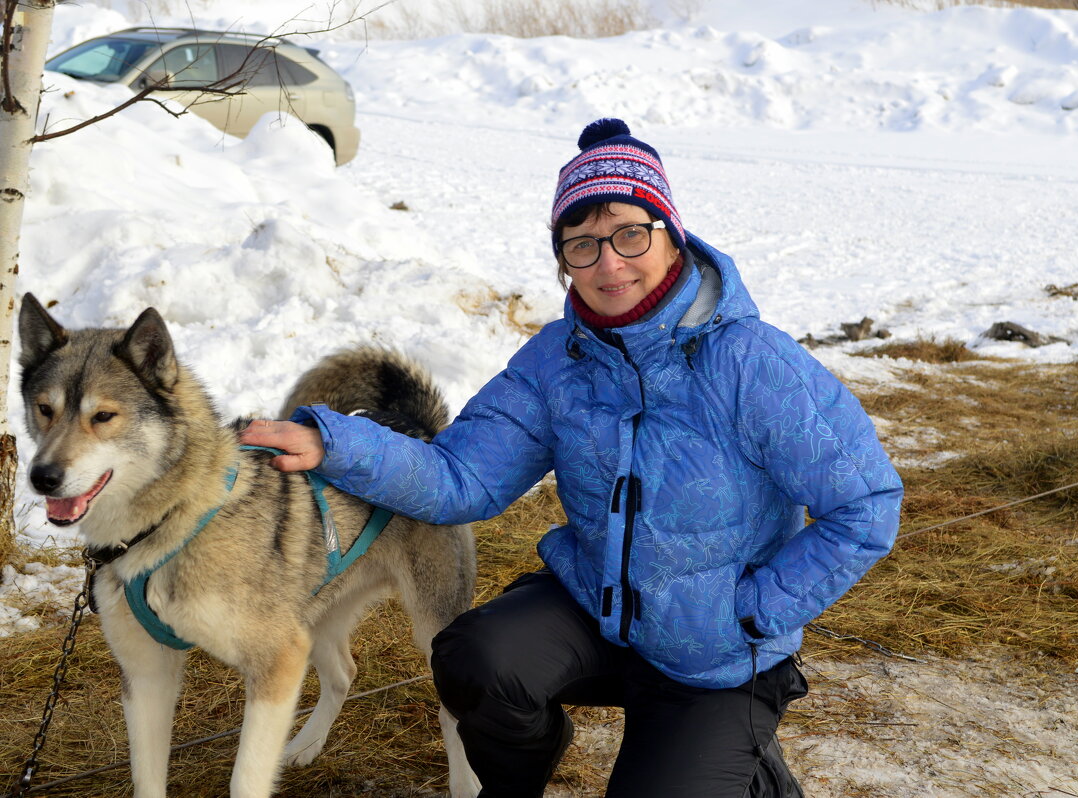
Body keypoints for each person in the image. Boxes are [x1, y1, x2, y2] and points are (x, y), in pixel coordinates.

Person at [241, 118, 903, 798]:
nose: (609, 263)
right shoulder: (558, 360)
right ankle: (523, 776)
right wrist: (338, 443)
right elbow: (462, 477)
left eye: (628, 234)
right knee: (475, 658)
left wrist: (754, 612)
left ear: (670, 235)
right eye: (581, 245)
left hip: (717, 656)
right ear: (563, 261)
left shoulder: (752, 362)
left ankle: (749, 769)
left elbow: (867, 504)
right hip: (598, 612)